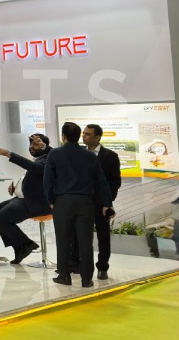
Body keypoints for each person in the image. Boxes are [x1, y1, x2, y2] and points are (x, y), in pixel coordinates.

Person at [43, 122, 112, 288]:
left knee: (63, 240)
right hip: (85, 202)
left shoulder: (55, 154)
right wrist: (107, 203)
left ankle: (64, 276)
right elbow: (102, 181)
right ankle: (87, 279)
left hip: (63, 201)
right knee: (86, 241)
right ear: (79, 136)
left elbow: (47, 181)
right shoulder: (90, 156)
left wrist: (51, 201)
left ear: (63, 136)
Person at [0, 134, 53, 264]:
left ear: (43, 145)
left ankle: (25, 244)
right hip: (24, 198)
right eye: (31, 144)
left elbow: (34, 168)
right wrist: (16, 188)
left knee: (0, 218)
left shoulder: (47, 159)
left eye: (35, 144)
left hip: (36, 203)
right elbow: (32, 178)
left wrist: (9, 154)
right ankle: (19, 247)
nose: (32, 147)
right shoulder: (38, 159)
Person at [79, 124, 122, 280]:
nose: (84, 136)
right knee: (82, 235)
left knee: (103, 237)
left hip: (101, 204)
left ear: (97, 137)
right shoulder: (80, 154)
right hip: (82, 202)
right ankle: (82, 266)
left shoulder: (109, 156)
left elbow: (115, 182)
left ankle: (102, 267)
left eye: (88, 134)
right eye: (83, 133)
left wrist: (108, 202)